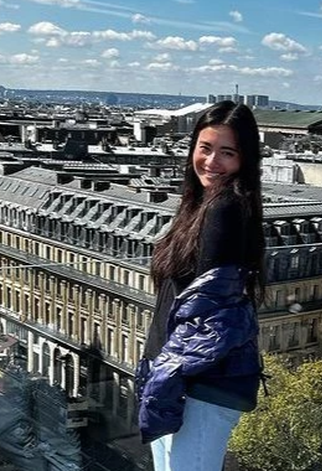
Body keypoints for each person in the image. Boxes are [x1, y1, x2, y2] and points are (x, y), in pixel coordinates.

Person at [136, 100, 266, 471]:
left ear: (245, 159)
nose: (211, 162)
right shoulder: (200, 206)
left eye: (227, 152)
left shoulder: (224, 208)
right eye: (205, 148)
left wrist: (165, 375)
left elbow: (205, 313)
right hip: (183, 376)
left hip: (194, 381)